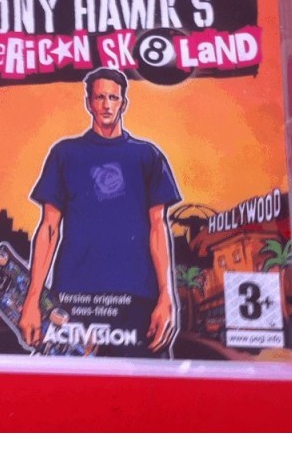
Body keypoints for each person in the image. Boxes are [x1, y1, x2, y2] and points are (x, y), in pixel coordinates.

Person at [18, 67, 181, 357]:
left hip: (138, 298)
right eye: (100, 97)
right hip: (74, 297)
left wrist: (165, 296)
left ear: (124, 103)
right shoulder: (65, 154)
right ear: (88, 103)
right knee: (70, 382)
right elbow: (49, 228)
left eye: (113, 98)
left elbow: (158, 228)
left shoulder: (147, 156)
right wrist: (32, 300)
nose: (107, 105)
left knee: (145, 381)